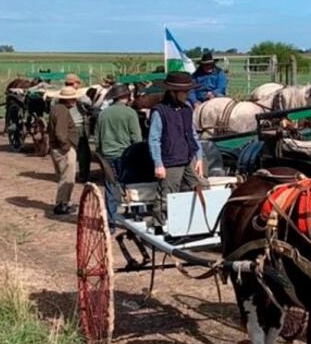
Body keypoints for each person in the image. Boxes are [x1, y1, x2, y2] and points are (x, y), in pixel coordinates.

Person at [148, 71, 205, 225]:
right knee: (166, 196)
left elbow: (193, 134)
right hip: (171, 160)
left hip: (187, 158)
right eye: (185, 92)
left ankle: (191, 222)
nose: (188, 94)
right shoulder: (160, 111)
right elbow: (154, 139)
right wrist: (158, 164)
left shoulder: (187, 108)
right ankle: (158, 225)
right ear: (173, 92)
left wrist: (199, 157)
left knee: (201, 187)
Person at [96, 84, 142, 232]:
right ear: (126, 97)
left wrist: (100, 154)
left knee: (110, 189)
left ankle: (111, 223)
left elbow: (97, 138)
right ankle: (136, 218)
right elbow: (137, 137)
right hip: (125, 155)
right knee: (132, 186)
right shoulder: (130, 113)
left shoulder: (103, 114)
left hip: (108, 155)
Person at [48, 86, 79, 215]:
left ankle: (64, 202)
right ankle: (62, 204)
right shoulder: (62, 111)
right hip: (63, 149)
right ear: (70, 99)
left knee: (63, 176)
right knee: (67, 178)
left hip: (57, 148)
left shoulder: (56, 108)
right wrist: (67, 147)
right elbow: (60, 133)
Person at [63, 73, 91, 182]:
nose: (78, 85)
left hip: (65, 126)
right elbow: (88, 102)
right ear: (74, 83)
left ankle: (68, 175)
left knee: (68, 152)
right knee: (84, 152)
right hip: (77, 126)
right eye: (77, 83)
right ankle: (83, 175)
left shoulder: (61, 94)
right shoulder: (77, 93)